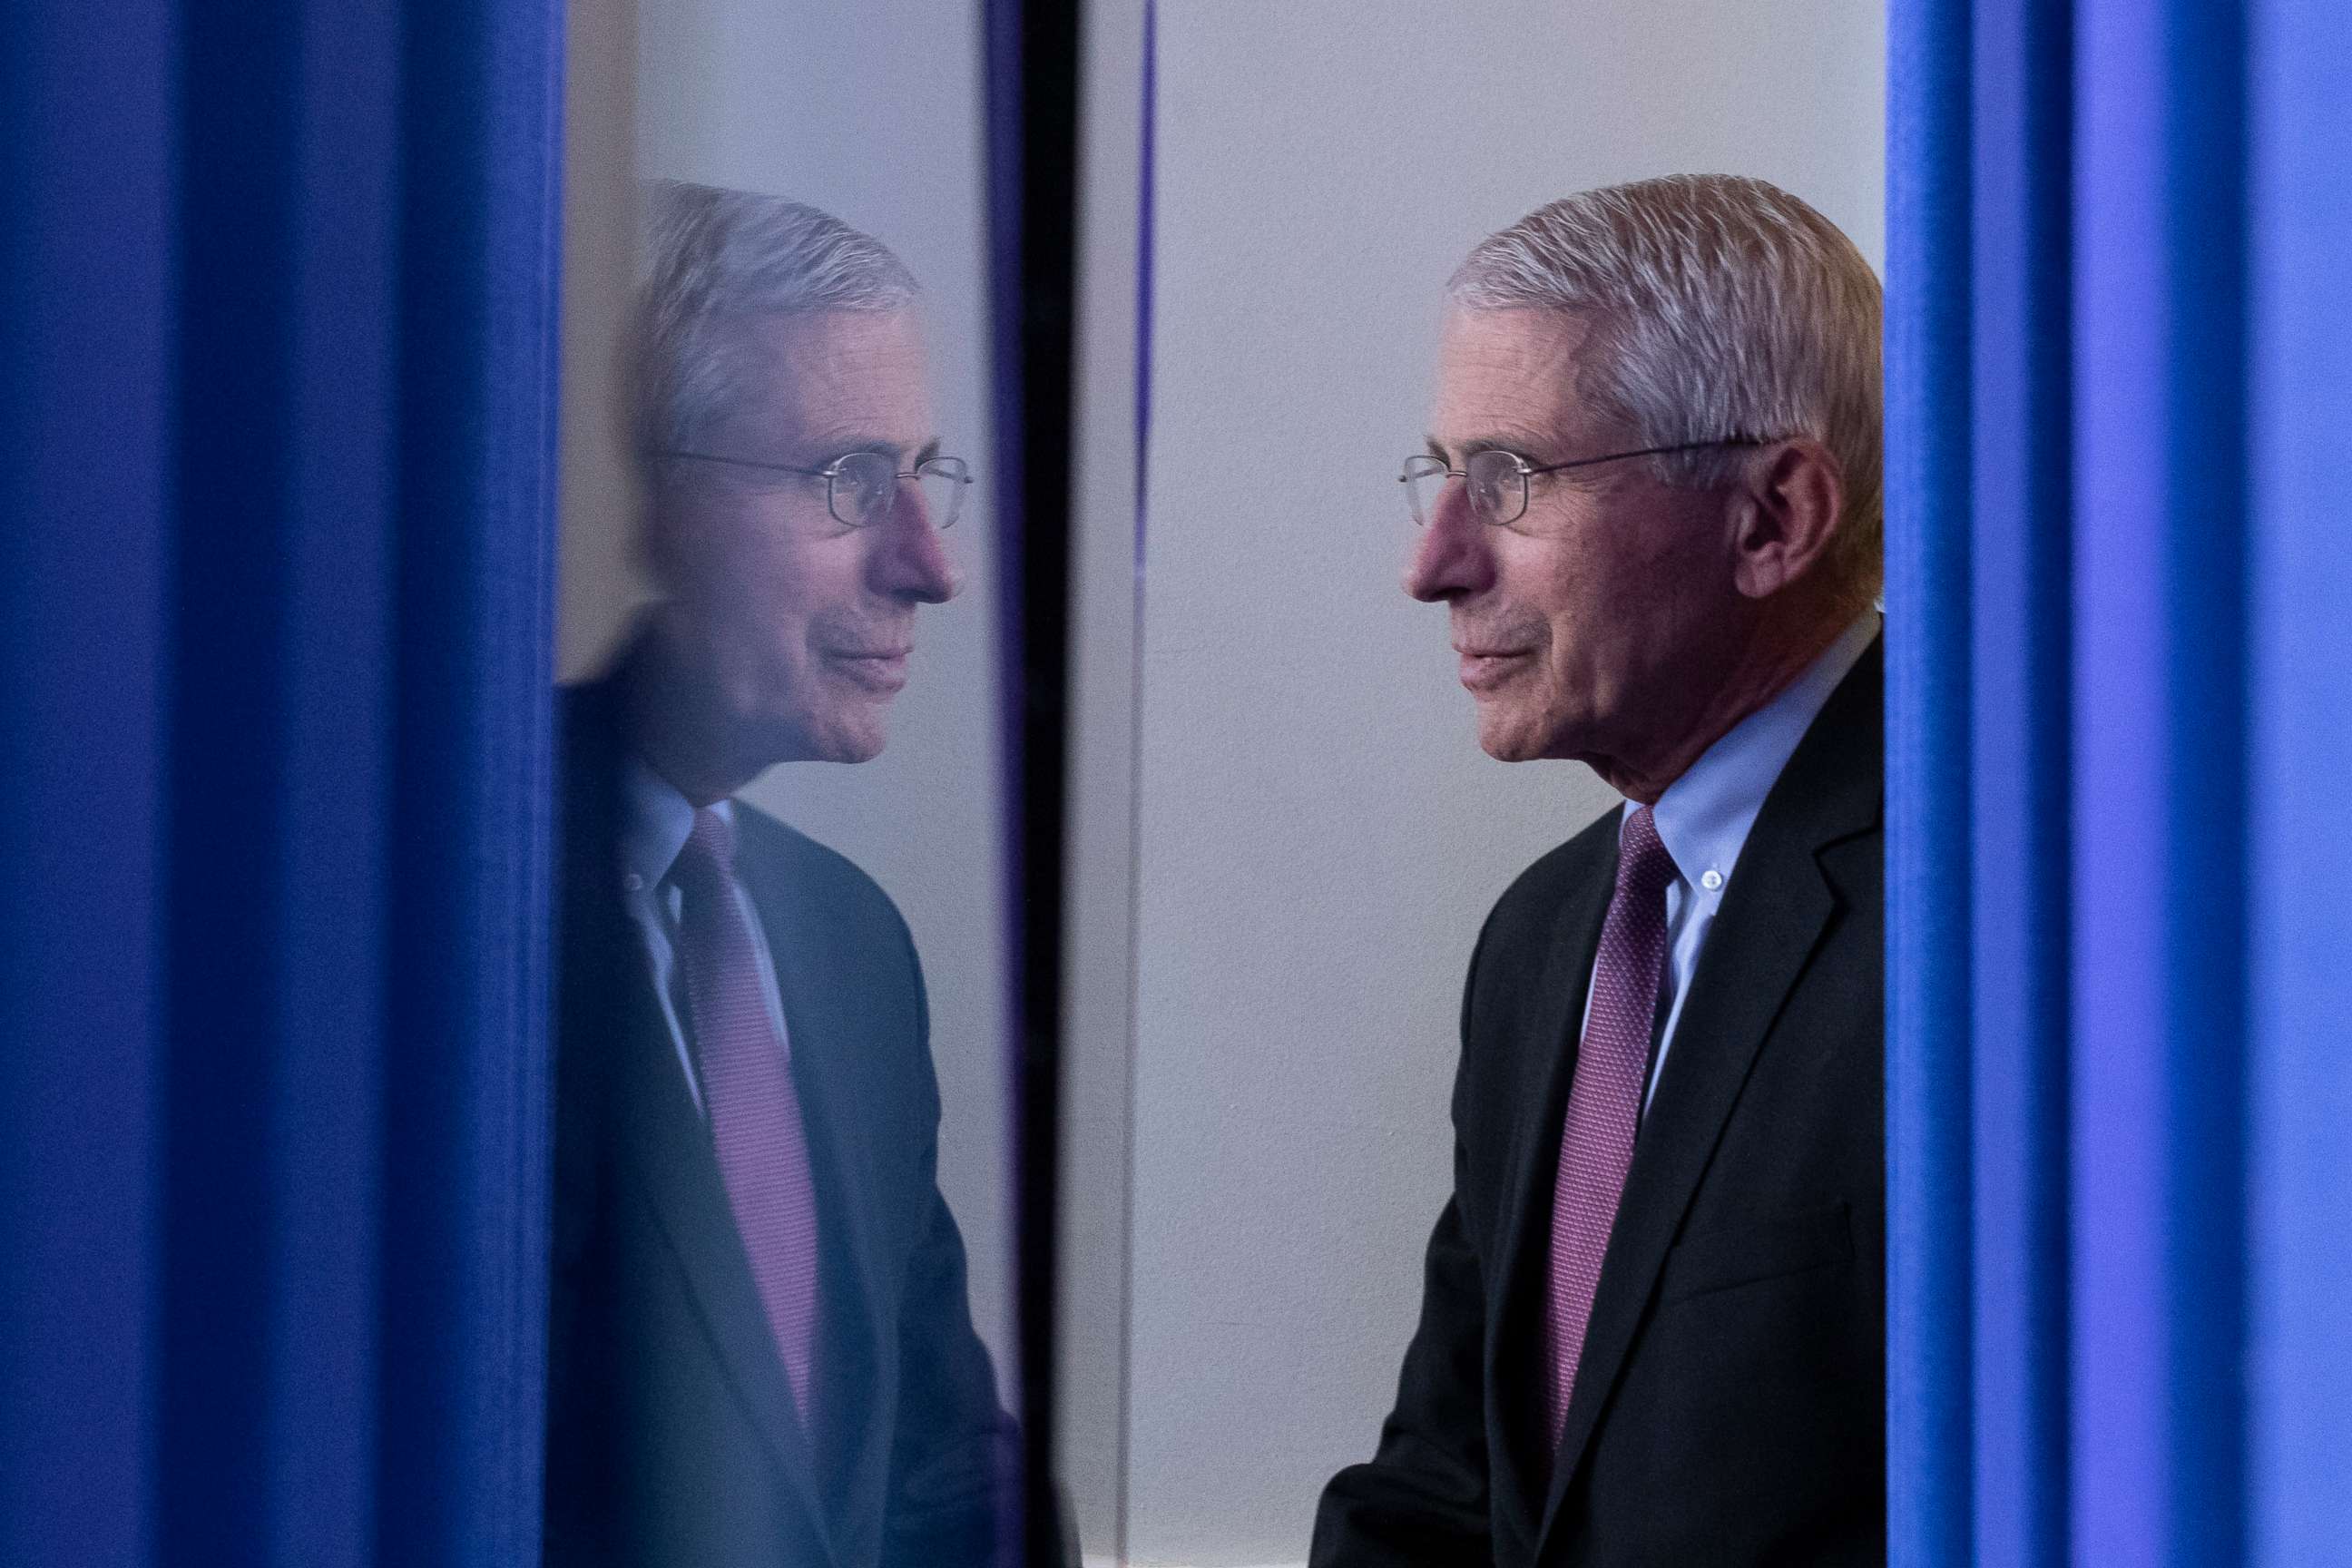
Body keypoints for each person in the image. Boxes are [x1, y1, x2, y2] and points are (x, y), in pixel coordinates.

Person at [1311, 174, 1887, 1566]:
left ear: (1771, 518)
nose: (1434, 562)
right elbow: (1453, 1481)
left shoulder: (2000, 914)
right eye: (1438, 476)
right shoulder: (1547, 937)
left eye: (1508, 480)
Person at [543, 181, 1014, 1568]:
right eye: (849, 482)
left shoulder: (854, 948)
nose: (931, 566)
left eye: (924, 476)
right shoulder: (454, 910)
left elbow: (934, 1470)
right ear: (662, 498)